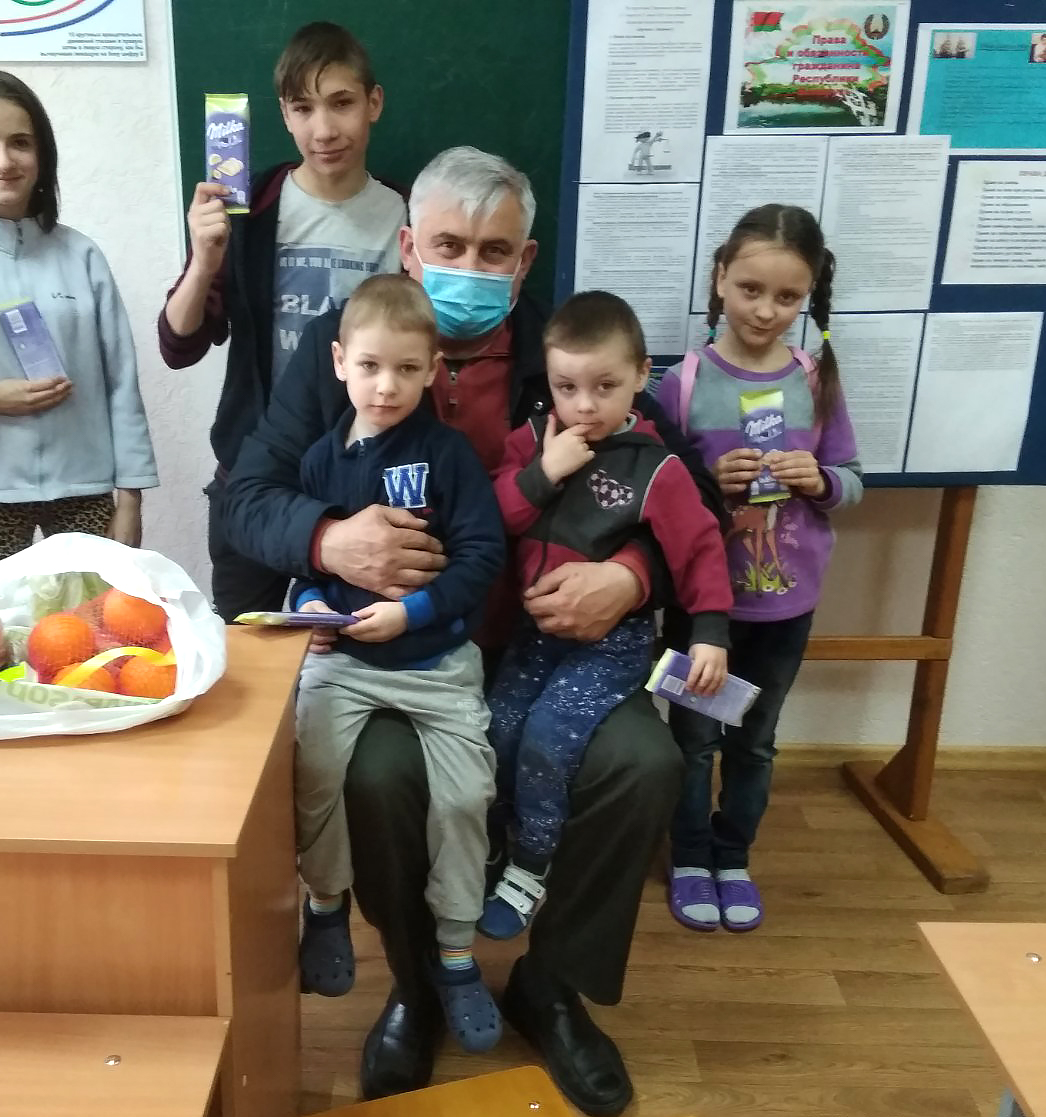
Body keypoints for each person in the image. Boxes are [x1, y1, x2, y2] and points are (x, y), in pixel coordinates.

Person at [222, 145, 723, 1114]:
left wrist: (629, 576)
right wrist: (329, 537)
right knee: (372, 776)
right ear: (408, 246)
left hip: (554, 651)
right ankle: (419, 985)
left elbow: (682, 498)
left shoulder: (575, 351)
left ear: (525, 261)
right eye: (449, 243)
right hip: (400, 649)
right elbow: (244, 498)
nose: (470, 266)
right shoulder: (348, 345)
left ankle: (554, 985)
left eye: (494, 250)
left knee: (645, 767)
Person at [290, 274, 505, 1053]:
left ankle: (455, 952)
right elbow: (308, 567)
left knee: (464, 798)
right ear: (341, 360)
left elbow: (483, 558)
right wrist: (310, 607)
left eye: (409, 369)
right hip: (343, 662)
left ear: (433, 370)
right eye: (373, 365)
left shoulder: (447, 456)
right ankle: (324, 904)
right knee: (311, 776)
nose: (388, 385)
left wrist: (412, 611)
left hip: (438, 662)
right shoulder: (318, 461)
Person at [478, 292, 731, 940]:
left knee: (546, 739)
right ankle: (502, 841)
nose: (584, 405)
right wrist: (541, 472)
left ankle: (533, 863)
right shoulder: (533, 438)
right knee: (499, 725)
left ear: (642, 375)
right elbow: (490, 516)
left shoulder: (658, 466)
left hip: (609, 645)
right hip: (533, 634)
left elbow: (701, 552)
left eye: (605, 386)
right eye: (567, 386)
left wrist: (709, 635)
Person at [658, 203, 862, 933]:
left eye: (786, 297)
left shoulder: (817, 379)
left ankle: (731, 855)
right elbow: (655, 490)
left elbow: (853, 479)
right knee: (692, 737)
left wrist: (818, 479)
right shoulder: (681, 383)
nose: (765, 310)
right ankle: (686, 856)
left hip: (786, 606)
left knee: (755, 739)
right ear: (719, 280)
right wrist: (711, 477)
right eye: (749, 289)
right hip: (702, 605)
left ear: (808, 298)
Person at [157, 21, 405, 621]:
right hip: (257, 477)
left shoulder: (407, 213)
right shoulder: (249, 208)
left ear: (373, 103)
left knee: (346, 662)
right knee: (249, 661)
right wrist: (204, 260)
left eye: (342, 103)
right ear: (285, 116)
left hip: (360, 479)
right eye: (304, 108)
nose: (324, 130)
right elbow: (178, 345)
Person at [0, 69, 157, 571]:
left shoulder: (82, 254)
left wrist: (130, 498)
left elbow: (121, 382)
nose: (3, 161)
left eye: (20, 143)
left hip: (84, 485)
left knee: (91, 631)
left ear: (41, 154)